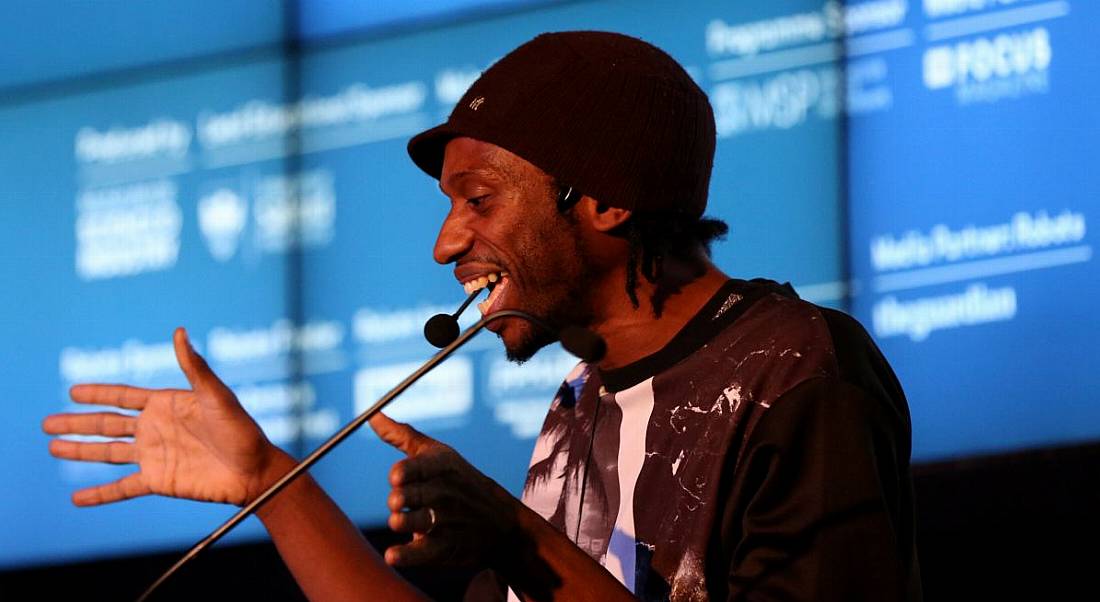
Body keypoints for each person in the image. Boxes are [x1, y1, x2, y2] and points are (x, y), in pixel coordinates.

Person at [43, 31, 921, 601]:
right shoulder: (584, 404)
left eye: (479, 199)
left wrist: (510, 535)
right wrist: (271, 481)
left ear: (606, 201)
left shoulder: (796, 371)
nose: (444, 245)